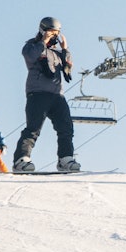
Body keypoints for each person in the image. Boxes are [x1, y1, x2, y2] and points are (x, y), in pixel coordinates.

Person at [15, 16, 79, 172]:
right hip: (38, 93)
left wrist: (65, 49)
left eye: (56, 33)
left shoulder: (56, 53)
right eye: (51, 32)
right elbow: (29, 56)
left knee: (65, 127)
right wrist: (43, 41)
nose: (54, 36)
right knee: (33, 128)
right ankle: (21, 160)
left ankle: (65, 159)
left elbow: (68, 67)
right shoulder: (32, 46)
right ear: (43, 30)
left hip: (57, 95)